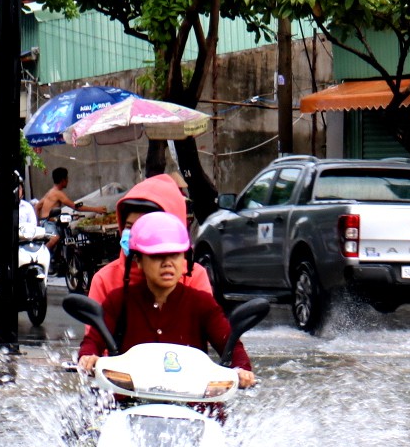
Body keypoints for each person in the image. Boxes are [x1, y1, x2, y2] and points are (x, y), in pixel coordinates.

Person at [78, 212, 255, 388]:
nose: (167, 263)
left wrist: (242, 370)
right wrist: (88, 357)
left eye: (175, 255)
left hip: (193, 405)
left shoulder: (201, 303)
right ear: (139, 260)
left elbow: (230, 345)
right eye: (157, 256)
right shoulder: (119, 301)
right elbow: (93, 340)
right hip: (129, 401)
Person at [88, 174, 213, 303]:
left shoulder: (194, 277)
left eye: (145, 227)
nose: (135, 234)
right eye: (129, 226)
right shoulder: (104, 281)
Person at [37, 166, 108, 223]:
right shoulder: (58, 193)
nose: (68, 180)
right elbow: (75, 207)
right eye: (67, 178)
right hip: (51, 223)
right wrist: (96, 209)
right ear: (63, 180)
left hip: (45, 222)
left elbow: (37, 207)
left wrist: (38, 223)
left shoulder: (50, 192)